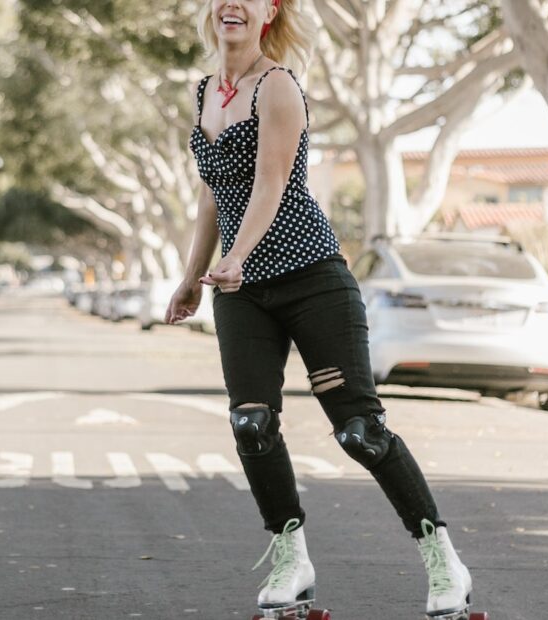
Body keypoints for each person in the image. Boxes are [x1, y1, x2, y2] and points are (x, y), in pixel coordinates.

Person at [164, 1, 474, 618]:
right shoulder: (203, 95)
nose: (233, 3)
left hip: (312, 278)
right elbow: (211, 193)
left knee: (359, 430)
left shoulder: (279, 89)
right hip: (241, 290)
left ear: (268, 13)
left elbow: (270, 184)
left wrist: (238, 254)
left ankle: (442, 557)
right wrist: (193, 275)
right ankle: (291, 556)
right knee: (251, 424)